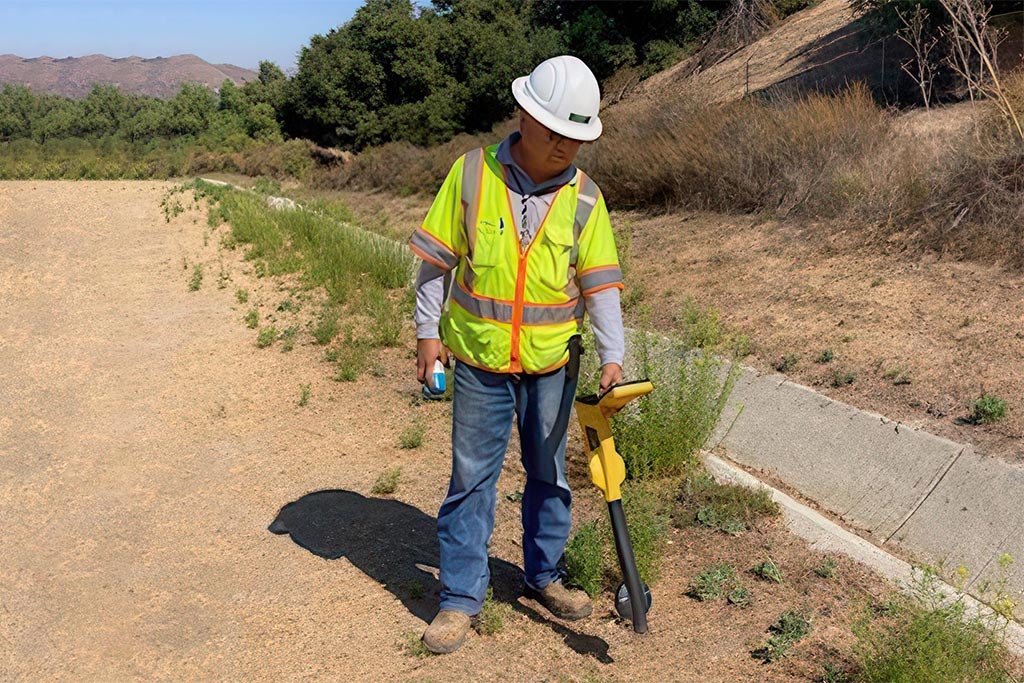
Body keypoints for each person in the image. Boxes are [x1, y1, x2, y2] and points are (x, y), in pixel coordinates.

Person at [409, 55, 626, 655]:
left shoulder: (586, 197)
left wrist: (614, 355)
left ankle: (543, 575)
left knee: (550, 475)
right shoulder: (472, 174)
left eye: (576, 138)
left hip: (552, 365)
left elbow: (601, 283)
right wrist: (429, 335)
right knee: (471, 480)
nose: (565, 147)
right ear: (525, 115)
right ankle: (458, 598)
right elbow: (435, 262)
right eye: (556, 131)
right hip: (478, 363)